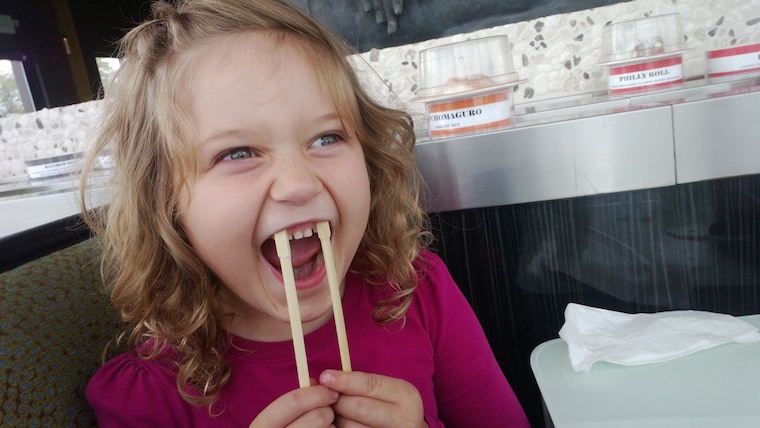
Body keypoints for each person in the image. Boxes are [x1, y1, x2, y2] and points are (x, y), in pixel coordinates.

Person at [80, 0, 530, 426]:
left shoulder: (418, 294)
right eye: (238, 153)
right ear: (165, 202)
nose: (299, 184)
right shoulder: (148, 398)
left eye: (327, 138)